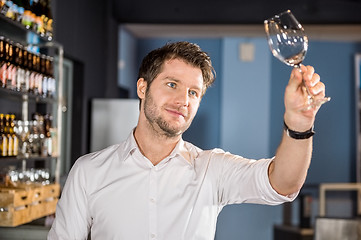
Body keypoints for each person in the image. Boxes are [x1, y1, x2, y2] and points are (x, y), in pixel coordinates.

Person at [48, 41, 326, 239]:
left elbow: (283, 183)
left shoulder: (211, 169)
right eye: (172, 85)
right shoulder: (88, 172)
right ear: (142, 87)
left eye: (194, 92)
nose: (183, 100)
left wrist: (299, 124)